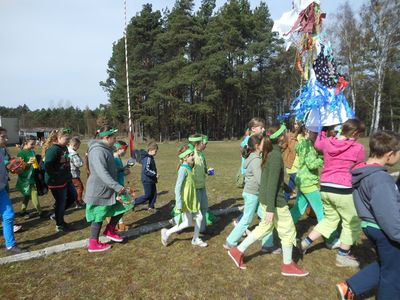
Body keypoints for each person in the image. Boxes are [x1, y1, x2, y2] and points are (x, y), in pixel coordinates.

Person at [228, 124, 309, 276]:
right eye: (286, 133)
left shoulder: (270, 152)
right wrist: (271, 208)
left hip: (267, 199)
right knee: (288, 230)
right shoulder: (275, 156)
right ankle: (287, 265)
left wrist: (286, 188)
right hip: (275, 202)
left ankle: (237, 251)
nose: (288, 135)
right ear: (280, 137)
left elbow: (271, 180)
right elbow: (271, 184)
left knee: (264, 228)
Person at [336, 130, 400, 300]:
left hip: (370, 225)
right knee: (393, 275)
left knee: (388, 264)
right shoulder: (380, 179)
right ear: (390, 154)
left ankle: (350, 288)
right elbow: (389, 218)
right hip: (385, 230)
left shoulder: (363, 171)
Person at [299, 119, 365, 267]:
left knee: (330, 220)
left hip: (326, 187)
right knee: (351, 222)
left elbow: (317, 144)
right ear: (354, 133)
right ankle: (342, 256)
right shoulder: (358, 148)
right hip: (344, 189)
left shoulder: (328, 142)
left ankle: (305, 242)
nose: (360, 137)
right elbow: (359, 168)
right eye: (359, 134)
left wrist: (322, 129)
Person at [84, 126, 127, 253]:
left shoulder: (106, 149)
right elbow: (102, 172)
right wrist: (117, 187)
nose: (115, 139)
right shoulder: (98, 151)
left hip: (108, 189)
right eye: (114, 137)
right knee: (99, 216)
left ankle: (110, 230)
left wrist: (121, 169)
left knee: (123, 207)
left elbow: (109, 168)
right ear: (106, 137)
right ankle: (93, 243)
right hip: (100, 190)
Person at [225, 134, 269, 249]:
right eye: (263, 143)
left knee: (265, 218)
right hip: (252, 194)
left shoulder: (255, 158)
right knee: (246, 220)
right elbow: (260, 180)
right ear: (256, 145)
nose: (265, 144)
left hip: (255, 193)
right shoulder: (255, 160)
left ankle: (268, 244)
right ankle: (230, 241)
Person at [160, 144, 207, 248]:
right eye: (191, 155)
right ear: (185, 157)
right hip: (186, 200)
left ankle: (195, 238)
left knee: (195, 219)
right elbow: (177, 188)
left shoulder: (189, 168)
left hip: (191, 199)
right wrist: (179, 203)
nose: (193, 156)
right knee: (189, 221)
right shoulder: (183, 169)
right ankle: (167, 233)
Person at [43, 128, 77, 232]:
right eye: (66, 139)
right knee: (61, 202)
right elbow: (47, 166)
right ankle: (60, 224)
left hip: (66, 179)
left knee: (73, 196)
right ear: (58, 138)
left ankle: (56, 214)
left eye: (69, 139)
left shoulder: (64, 148)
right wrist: (55, 176)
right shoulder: (53, 150)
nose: (68, 141)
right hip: (56, 182)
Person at [0, 127, 26, 254]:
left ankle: (10, 245)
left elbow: (7, 165)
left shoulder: (2, 150)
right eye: (3, 137)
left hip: (1, 189)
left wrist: (14, 166)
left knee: (9, 215)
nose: (6, 139)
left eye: (6, 136)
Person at [290, 129, 324, 224]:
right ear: (307, 132)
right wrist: (322, 158)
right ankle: (330, 237)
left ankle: (285, 229)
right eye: (316, 133)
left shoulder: (302, 143)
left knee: (298, 209)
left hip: (302, 181)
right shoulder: (309, 146)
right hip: (309, 183)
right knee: (320, 210)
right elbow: (311, 164)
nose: (318, 136)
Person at [16, 135, 46, 219]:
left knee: (27, 195)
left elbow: (35, 164)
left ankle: (22, 211)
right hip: (25, 178)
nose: (34, 146)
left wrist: (37, 168)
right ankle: (40, 212)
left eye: (34, 144)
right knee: (34, 193)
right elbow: (18, 167)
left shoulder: (32, 152)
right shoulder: (21, 153)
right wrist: (28, 163)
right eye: (32, 144)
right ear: (25, 143)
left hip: (32, 177)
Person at [189, 134, 211, 233]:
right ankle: (175, 222)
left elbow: (202, 168)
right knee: (193, 211)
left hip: (202, 186)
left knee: (204, 207)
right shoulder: (191, 155)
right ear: (197, 144)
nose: (204, 145)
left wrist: (207, 171)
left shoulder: (200, 154)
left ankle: (202, 229)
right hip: (195, 187)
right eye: (203, 143)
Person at [282, 120, 303, 202]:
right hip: (292, 166)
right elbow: (283, 146)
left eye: (298, 124)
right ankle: (308, 206)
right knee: (304, 187)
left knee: (290, 186)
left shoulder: (304, 136)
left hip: (301, 166)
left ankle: (283, 203)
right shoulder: (290, 136)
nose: (296, 126)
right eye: (294, 124)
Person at [134, 142, 159, 211]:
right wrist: (155, 174)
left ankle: (151, 207)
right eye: (155, 151)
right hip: (147, 180)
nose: (156, 153)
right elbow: (146, 170)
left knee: (154, 194)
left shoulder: (151, 157)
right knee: (147, 195)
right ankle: (134, 202)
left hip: (151, 179)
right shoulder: (147, 158)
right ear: (151, 150)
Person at [113, 141, 131, 232]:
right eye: (124, 150)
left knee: (120, 206)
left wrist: (125, 168)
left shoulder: (118, 158)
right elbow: (113, 172)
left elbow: (119, 170)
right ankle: (115, 226)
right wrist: (124, 172)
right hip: (116, 186)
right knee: (120, 206)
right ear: (119, 149)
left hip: (120, 184)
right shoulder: (115, 159)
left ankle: (120, 224)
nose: (125, 152)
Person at [68, 137, 85, 208]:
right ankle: (78, 201)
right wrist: (82, 160)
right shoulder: (73, 154)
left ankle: (74, 201)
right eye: (78, 146)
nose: (78, 147)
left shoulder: (66, 150)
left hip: (68, 173)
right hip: (73, 174)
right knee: (80, 187)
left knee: (72, 188)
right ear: (75, 145)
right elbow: (79, 164)